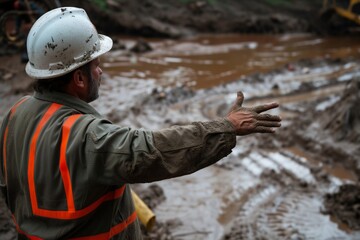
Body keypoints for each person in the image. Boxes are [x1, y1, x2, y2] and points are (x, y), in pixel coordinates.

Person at [0, 7, 281, 240]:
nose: (102, 70)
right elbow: (152, 150)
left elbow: (8, 189)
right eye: (96, 64)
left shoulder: (14, 116)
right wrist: (227, 127)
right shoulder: (88, 137)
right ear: (79, 79)